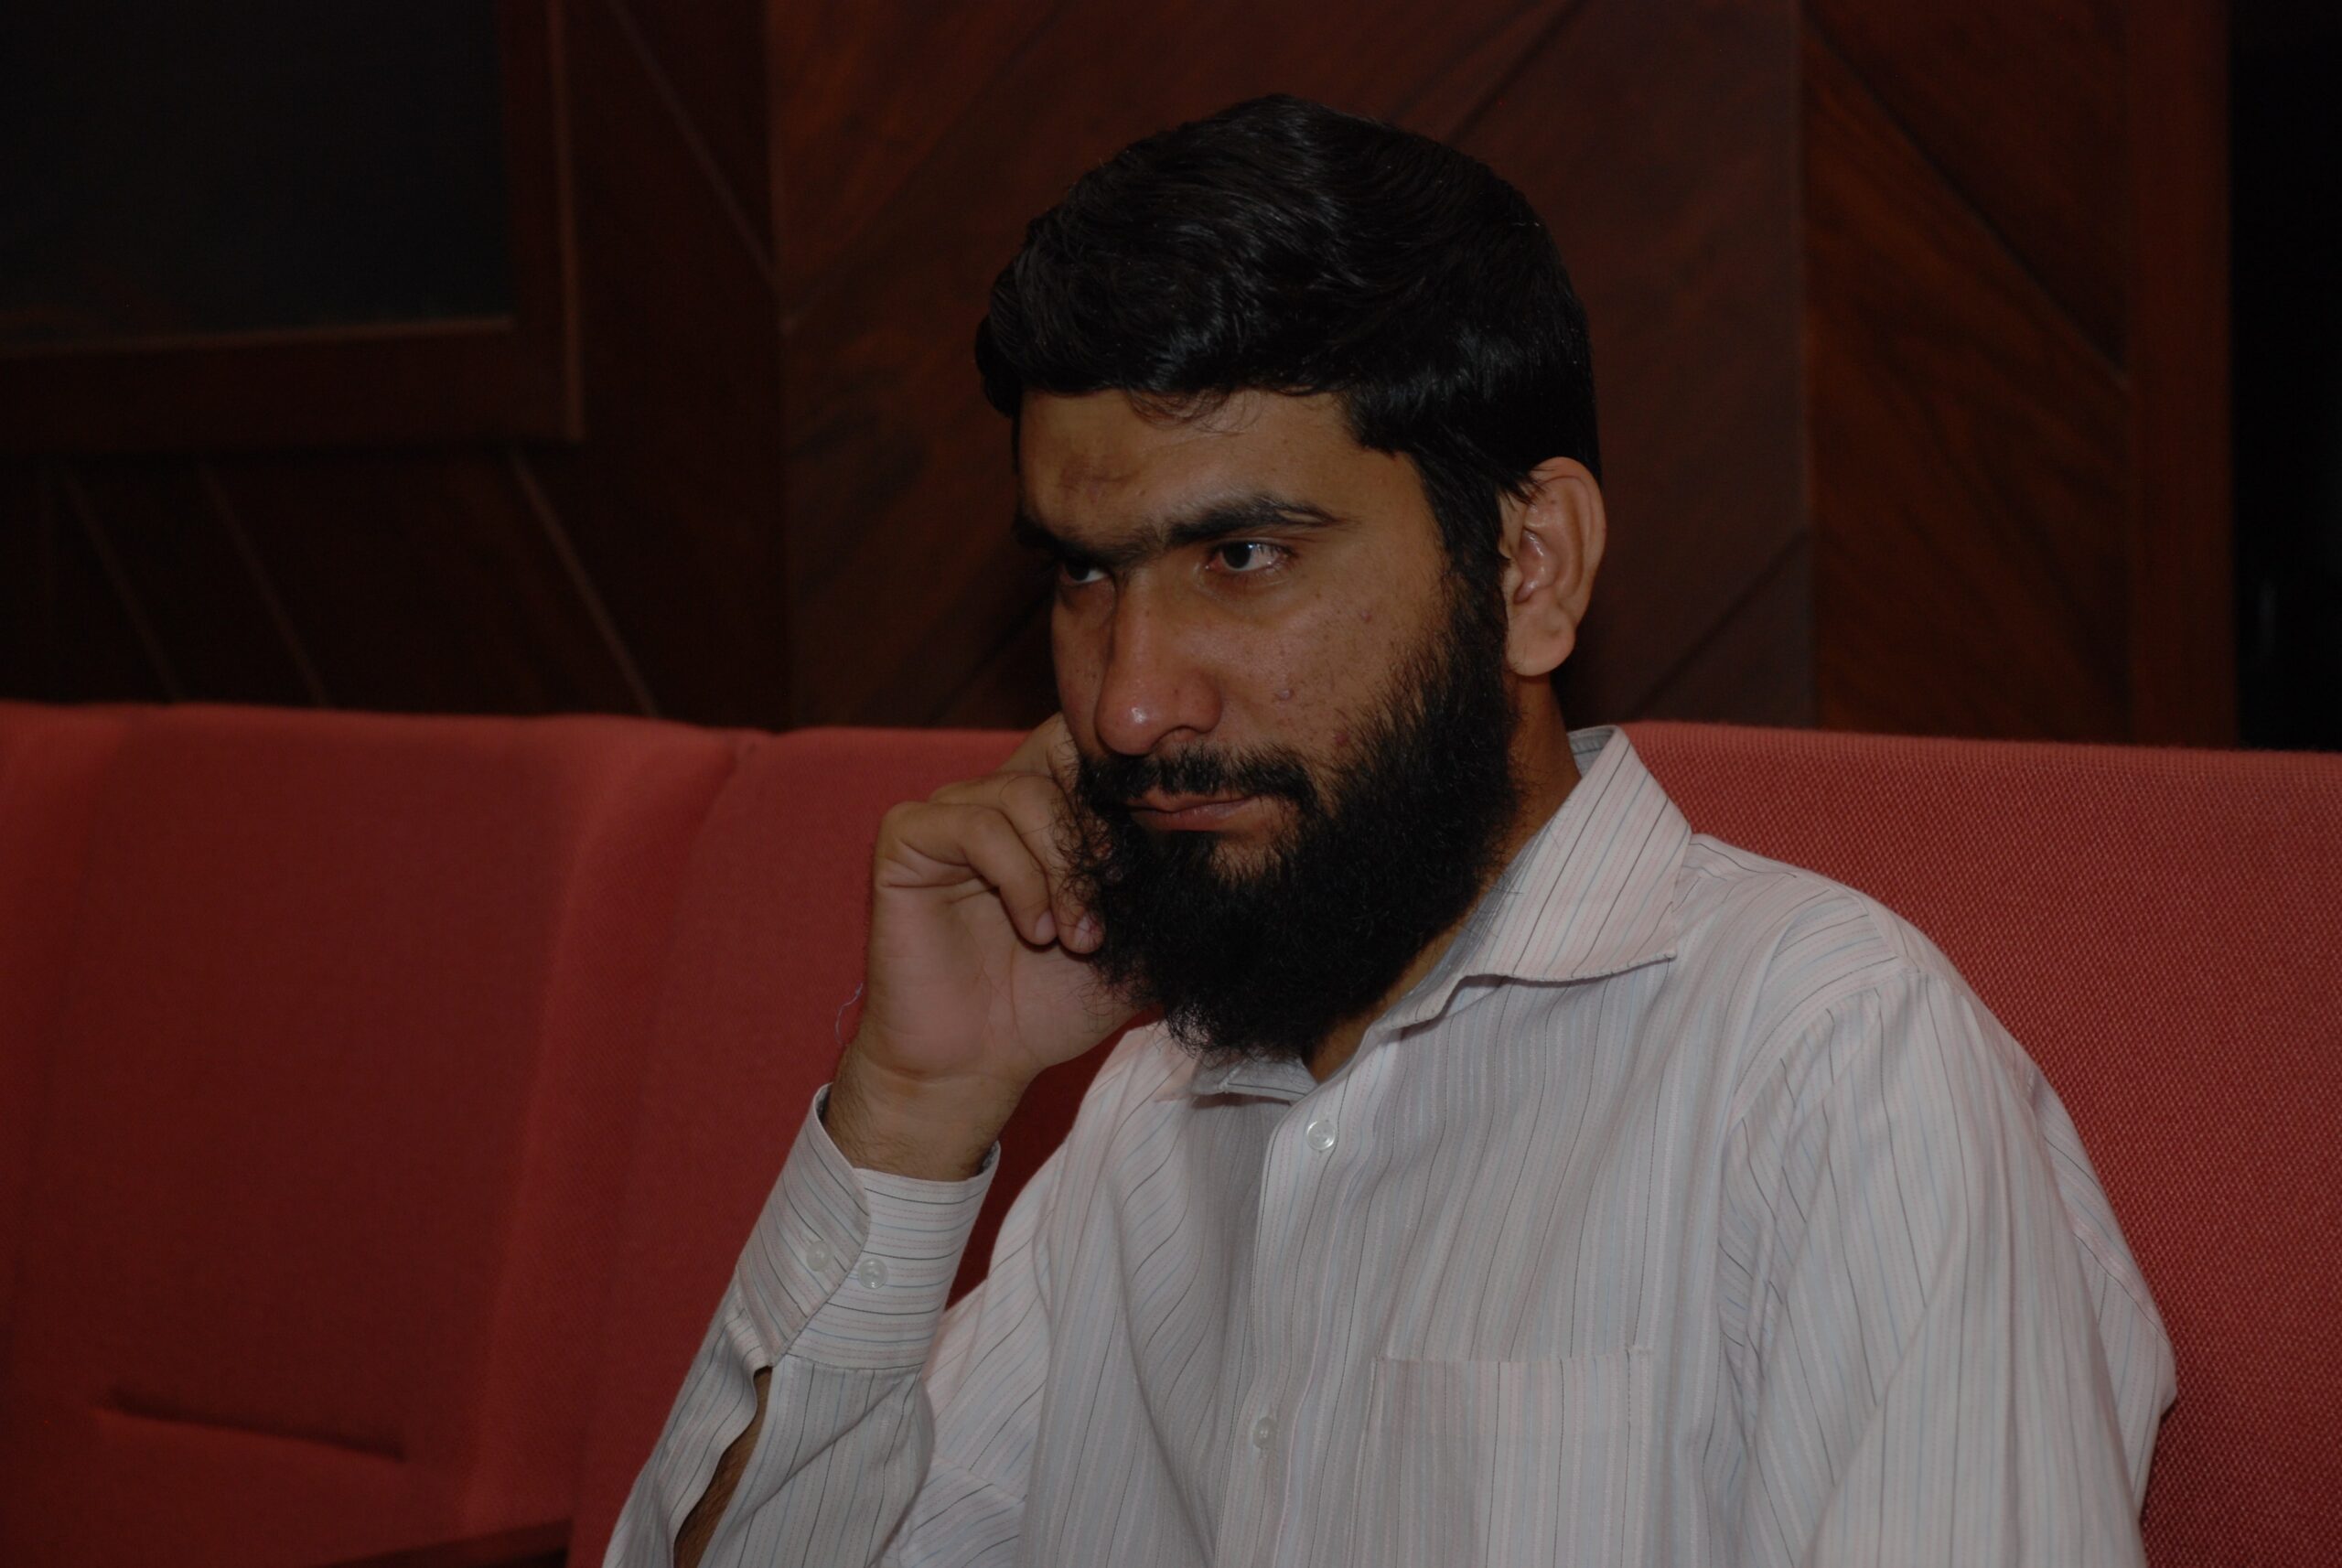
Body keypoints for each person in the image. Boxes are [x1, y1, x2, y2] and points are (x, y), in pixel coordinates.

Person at [608, 95, 2174, 1568]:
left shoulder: (1832, 1068)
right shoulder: (1148, 1105)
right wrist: (912, 1110)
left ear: (1531, 568)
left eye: (1242, 555)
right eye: (1082, 574)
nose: (1130, 702)